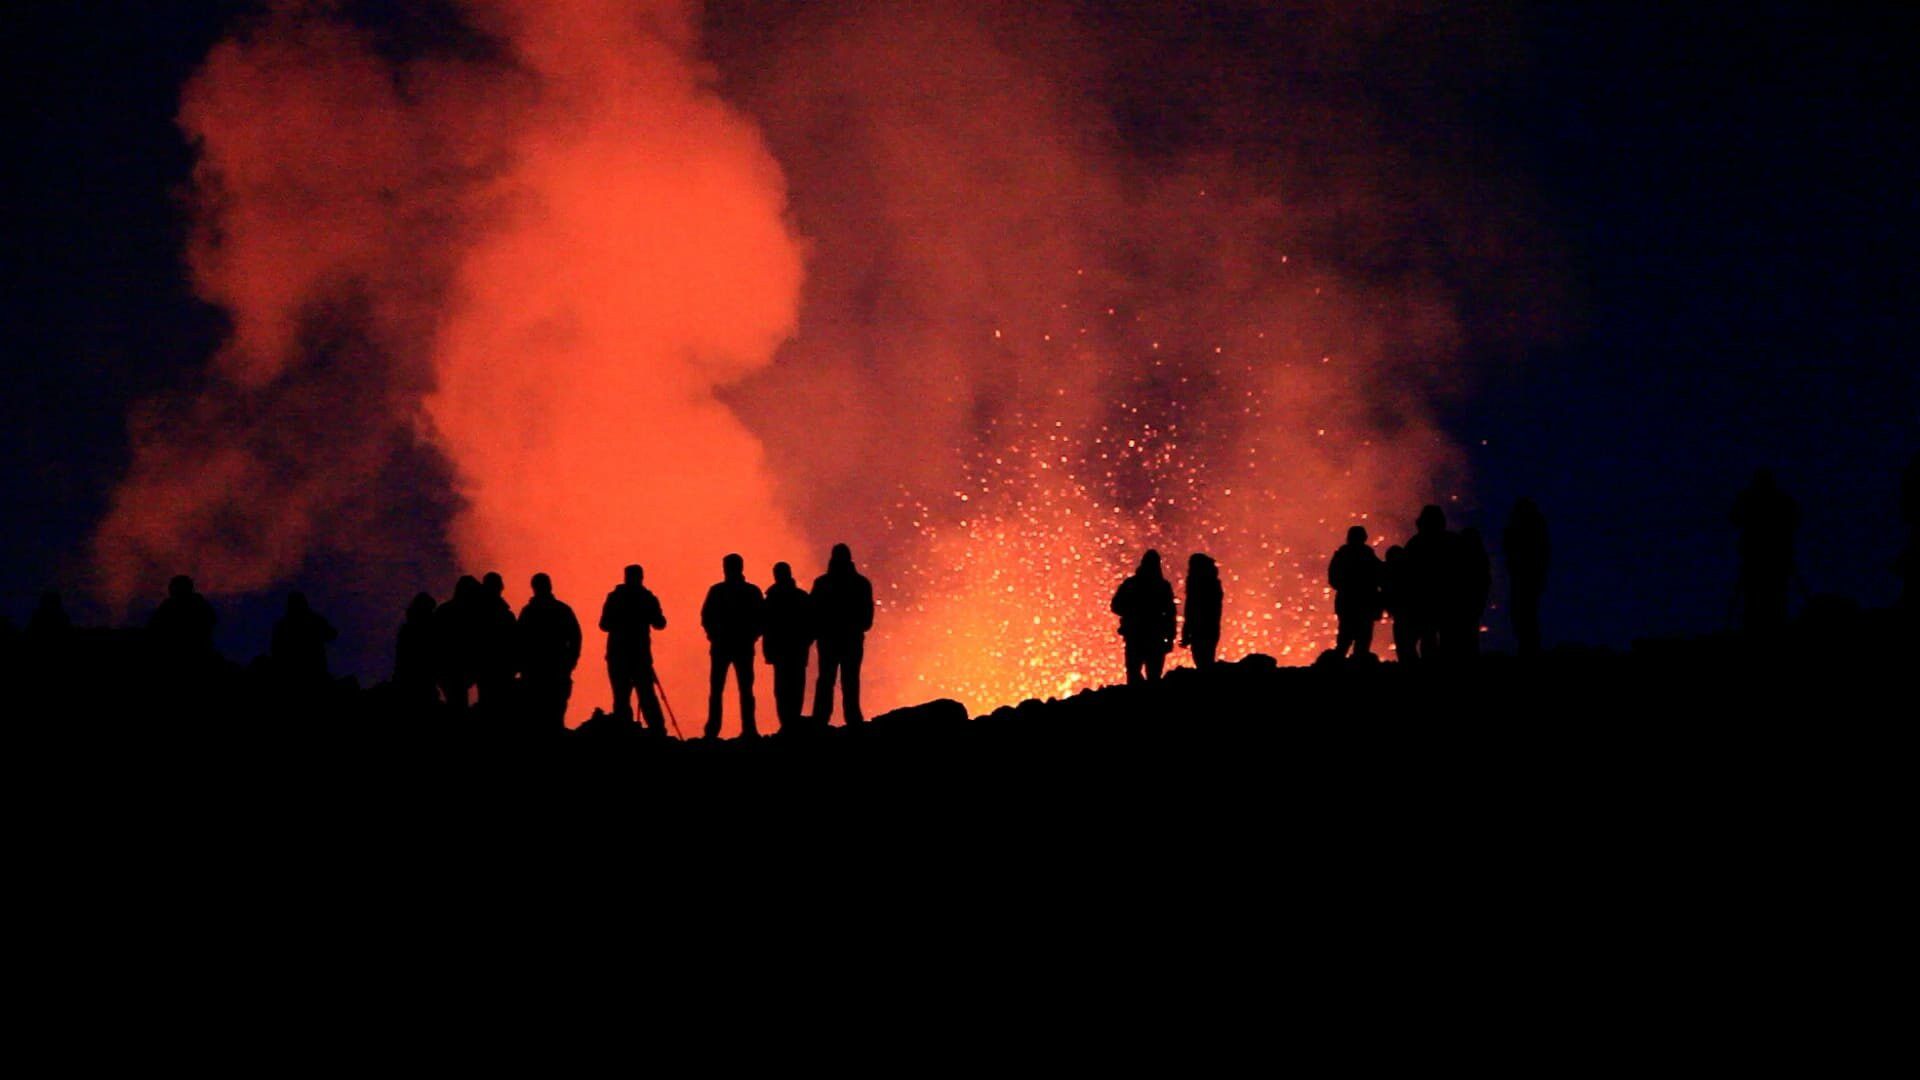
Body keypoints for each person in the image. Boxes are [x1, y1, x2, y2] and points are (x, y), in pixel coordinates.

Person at [701, 553, 764, 739]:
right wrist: (752, 636)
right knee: (741, 689)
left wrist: (714, 635)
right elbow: (761, 618)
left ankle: (715, 731)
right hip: (739, 646)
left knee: (722, 689)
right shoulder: (751, 591)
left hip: (726, 646)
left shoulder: (718, 591)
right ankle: (748, 729)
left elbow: (706, 616)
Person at [810, 543, 874, 728]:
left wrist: (819, 631)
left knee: (826, 679)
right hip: (851, 639)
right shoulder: (861, 583)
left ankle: (820, 719)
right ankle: (853, 719)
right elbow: (867, 616)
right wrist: (856, 627)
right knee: (850, 679)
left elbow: (813, 612)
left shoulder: (822, 583)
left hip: (828, 639)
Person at [600, 564, 668, 735]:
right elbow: (660, 623)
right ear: (641, 577)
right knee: (646, 694)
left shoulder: (615, 597)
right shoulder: (646, 598)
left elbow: (604, 624)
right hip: (639, 656)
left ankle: (625, 730)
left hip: (618, 655)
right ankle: (657, 731)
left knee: (622, 696)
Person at [1731, 468, 1799, 633]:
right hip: (1772, 555)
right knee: (1771, 593)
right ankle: (1769, 625)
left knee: (1758, 593)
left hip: (1760, 554)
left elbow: (1734, 518)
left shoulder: (1749, 498)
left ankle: (1758, 626)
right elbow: (1794, 521)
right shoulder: (1782, 499)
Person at [517, 573, 582, 732]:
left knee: (536, 716)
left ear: (534, 588)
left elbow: (518, 641)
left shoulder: (528, 612)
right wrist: (570, 661)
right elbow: (575, 637)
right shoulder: (562, 610)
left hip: (535, 672)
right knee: (555, 715)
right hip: (555, 670)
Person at [762, 561, 815, 733]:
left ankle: (787, 723)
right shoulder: (801, 597)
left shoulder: (771, 599)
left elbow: (764, 625)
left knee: (782, 688)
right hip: (797, 650)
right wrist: (805, 642)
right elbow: (812, 624)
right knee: (795, 686)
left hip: (780, 651)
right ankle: (792, 722)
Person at [1111, 550, 1176, 684]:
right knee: (1153, 677)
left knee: (1134, 674)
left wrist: (1131, 613)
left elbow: (1116, 605)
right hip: (1154, 637)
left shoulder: (1131, 584)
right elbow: (1170, 615)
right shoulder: (1163, 586)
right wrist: (1170, 638)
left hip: (1136, 636)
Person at [1402, 506, 1451, 662]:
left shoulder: (1415, 544)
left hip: (1423, 600)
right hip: (1446, 599)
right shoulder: (1451, 542)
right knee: (1443, 639)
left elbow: (1406, 575)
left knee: (1426, 638)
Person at [1328, 526, 1383, 660]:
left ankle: (1339, 664)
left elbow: (1333, 579)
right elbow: (1380, 575)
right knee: (1360, 640)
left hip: (1348, 603)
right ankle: (1357, 664)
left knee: (1345, 639)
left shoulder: (1343, 554)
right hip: (1364, 603)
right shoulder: (1367, 554)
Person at [1504, 497, 1550, 657]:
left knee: (1523, 615)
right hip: (1528, 578)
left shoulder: (1521, 530)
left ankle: (1528, 649)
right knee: (1526, 615)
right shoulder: (1537, 529)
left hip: (1523, 578)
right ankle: (1529, 648)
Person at [434, 576, 482, 712]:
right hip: (454, 672)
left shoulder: (443, 611)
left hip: (448, 672)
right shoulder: (467, 615)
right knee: (458, 705)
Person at [270, 591, 336, 687]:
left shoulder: (283, 625)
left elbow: (275, 649)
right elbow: (331, 634)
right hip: (313, 671)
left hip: (293, 673)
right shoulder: (314, 619)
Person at [149, 574, 217, 662]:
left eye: (173, 587)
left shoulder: (171, 605)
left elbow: (154, 626)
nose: (170, 590)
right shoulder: (170, 604)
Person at [475, 571, 518, 707]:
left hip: (487, 667)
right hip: (499, 667)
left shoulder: (476, 611)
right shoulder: (503, 613)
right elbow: (515, 640)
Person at [393, 592, 440, 709]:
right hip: (418, 681)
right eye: (430, 610)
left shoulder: (407, 630)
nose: (431, 613)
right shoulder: (422, 631)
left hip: (410, 681)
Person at [1180, 553, 1223, 669]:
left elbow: (1191, 610)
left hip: (1199, 629)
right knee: (1206, 661)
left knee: (1202, 661)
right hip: (1211, 629)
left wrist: (1186, 633)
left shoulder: (1195, 584)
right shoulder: (1214, 584)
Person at [1454, 527, 1492, 658]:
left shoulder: (1463, 558)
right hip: (1474, 600)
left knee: (1465, 631)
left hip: (1468, 601)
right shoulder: (1480, 557)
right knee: (1470, 631)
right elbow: (1486, 581)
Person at [1383, 545, 1417, 662]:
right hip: (1412, 612)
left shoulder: (1390, 572)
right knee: (1409, 645)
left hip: (1403, 613)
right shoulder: (1411, 571)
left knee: (1404, 645)